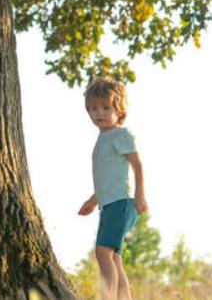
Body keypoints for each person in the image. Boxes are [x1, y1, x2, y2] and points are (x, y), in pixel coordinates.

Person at [78, 76, 148, 300]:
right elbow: (108, 178)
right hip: (108, 204)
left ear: (119, 109)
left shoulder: (120, 135)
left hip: (122, 203)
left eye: (105, 107)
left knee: (102, 253)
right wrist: (93, 200)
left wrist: (140, 195)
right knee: (115, 258)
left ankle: (108, 297)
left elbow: (137, 165)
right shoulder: (103, 139)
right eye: (93, 109)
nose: (98, 113)